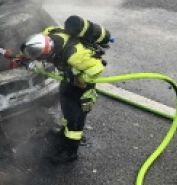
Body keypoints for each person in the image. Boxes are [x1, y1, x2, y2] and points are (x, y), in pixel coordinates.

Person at [19, 15, 110, 164]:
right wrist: (21, 56)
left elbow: (98, 67)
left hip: (81, 87)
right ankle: (63, 135)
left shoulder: (75, 55)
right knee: (67, 109)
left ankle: (70, 152)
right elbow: (31, 49)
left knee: (75, 119)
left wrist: (80, 79)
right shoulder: (49, 34)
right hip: (68, 82)